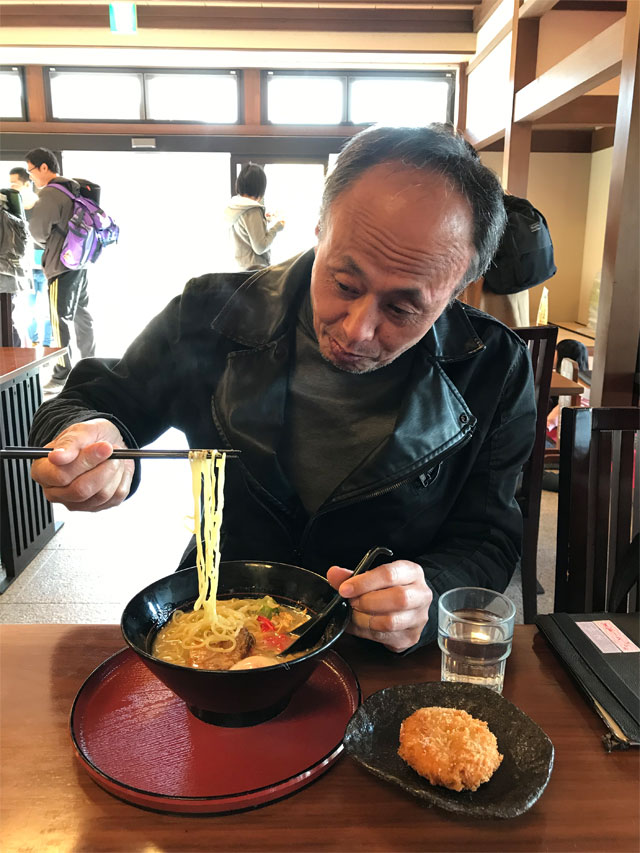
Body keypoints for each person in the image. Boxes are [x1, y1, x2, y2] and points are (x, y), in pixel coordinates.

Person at [29, 125, 536, 654]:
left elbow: (488, 537)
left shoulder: (491, 365)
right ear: (321, 227)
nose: (357, 330)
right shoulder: (211, 314)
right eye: (344, 284)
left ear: (457, 289)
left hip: (374, 655)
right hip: (218, 631)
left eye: (404, 308)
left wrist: (427, 597)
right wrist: (86, 437)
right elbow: (96, 400)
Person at [25, 147, 96, 390]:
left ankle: (62, 372)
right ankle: (91, 362)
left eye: (31, 171)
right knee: (81, 314)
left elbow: (38, 231)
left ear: (44, 167)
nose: (31, 176)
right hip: (80, 262)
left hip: (61, 264)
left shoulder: (50, 194)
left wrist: (47, 243)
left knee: (59, 319)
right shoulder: (74, 188)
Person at [9, 166, 53, 347]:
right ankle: (35, 341)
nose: (11, 187)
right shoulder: (13, 207)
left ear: (26, 184)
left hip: (46, 263)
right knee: (30, 306)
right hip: (26, 265)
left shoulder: (40, 204)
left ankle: (48, 342)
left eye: (15, 183)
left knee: (49, 307)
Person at [224, 163, 285, 270]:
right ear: (260, 187)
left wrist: (264, 219)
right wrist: (277, 228)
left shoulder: (236, 206)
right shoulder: (252, 209)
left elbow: (245, 231)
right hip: (256, 272)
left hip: (242, 269)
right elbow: (260, 247)